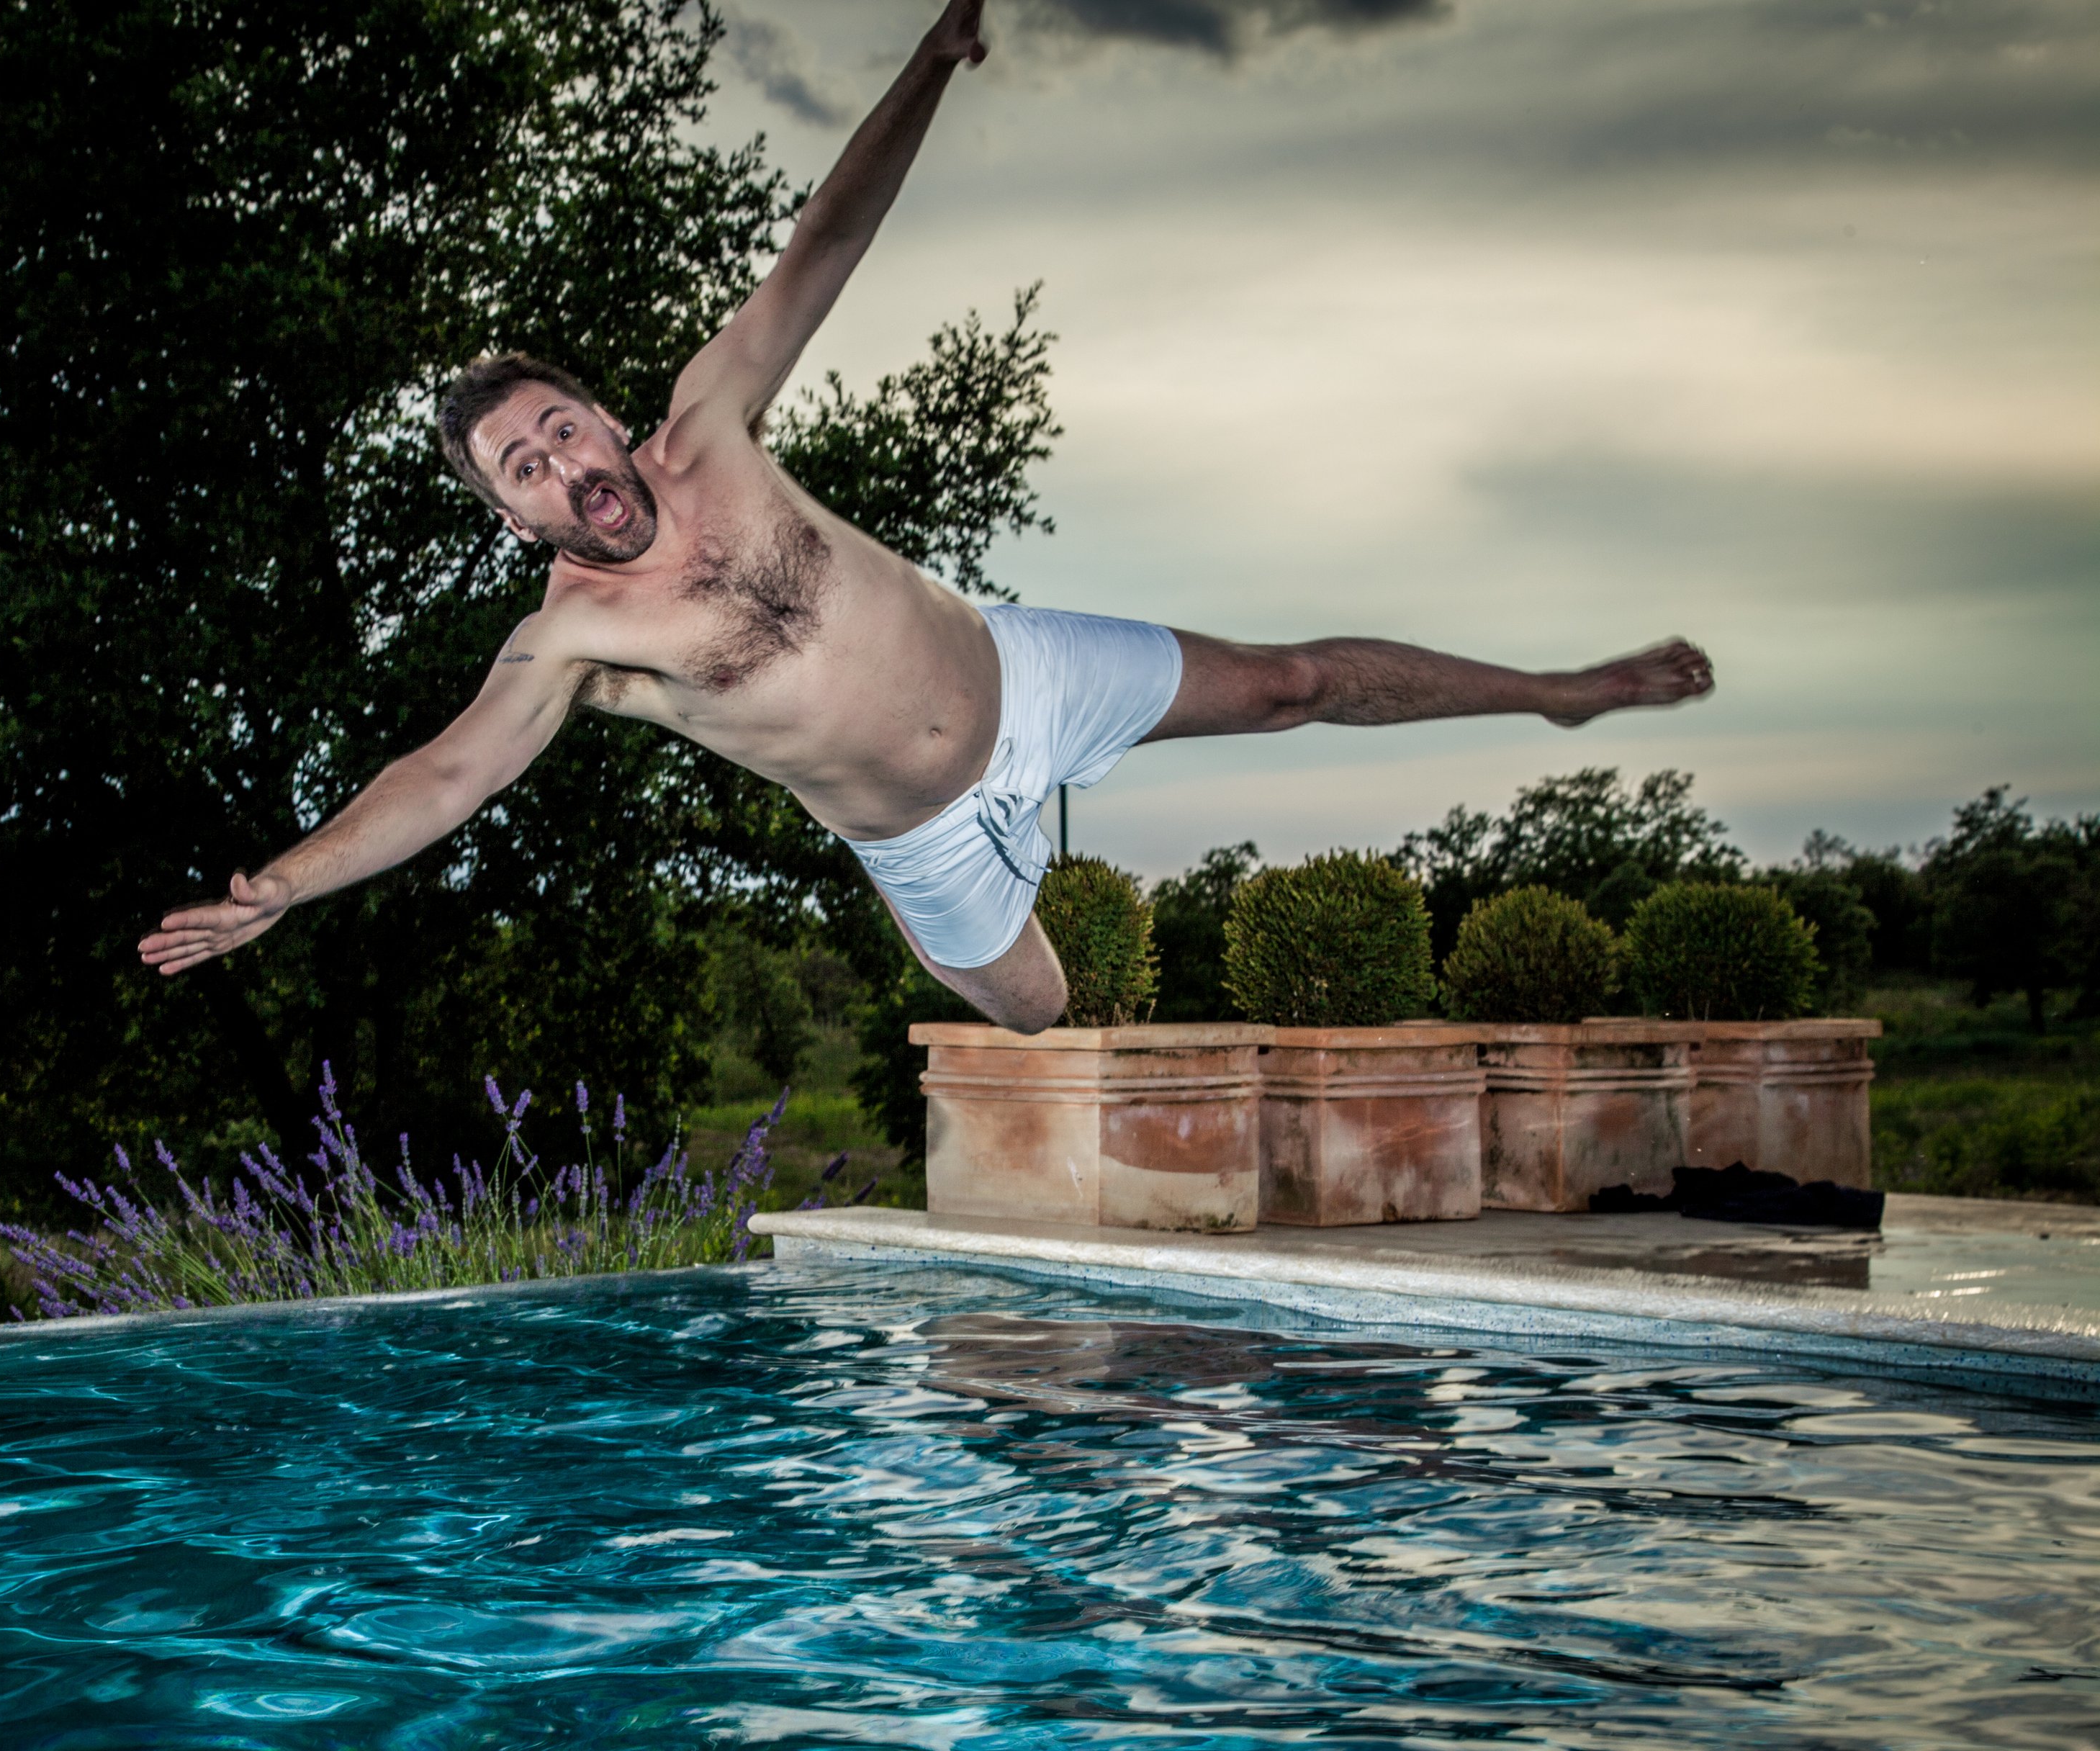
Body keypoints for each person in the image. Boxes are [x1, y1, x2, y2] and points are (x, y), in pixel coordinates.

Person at [140, 0, 1713, 1032]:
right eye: (523, 468)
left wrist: (927, 67)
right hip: (924, 837)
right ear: (514, 517)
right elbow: (445, 776)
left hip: (1022, 670)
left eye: (560, 425)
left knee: (1290, 681)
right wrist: (281, 881)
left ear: (609, 417)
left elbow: (823, 243)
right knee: (1041, 1011)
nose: (562, 463)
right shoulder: (568, 640)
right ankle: (953, 923)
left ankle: (1560, 691)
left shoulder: (710, 422)